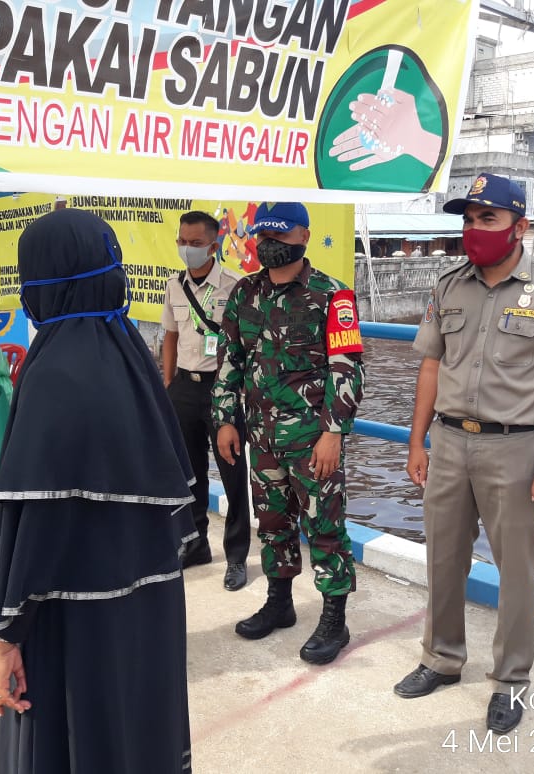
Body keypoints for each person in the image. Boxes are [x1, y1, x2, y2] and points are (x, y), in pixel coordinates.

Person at [0, 208, 195, 773]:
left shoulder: (54, 371)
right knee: (138, 734)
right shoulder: (130, 356)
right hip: (146, 604)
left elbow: (41, 521)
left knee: (81, 744)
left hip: (73, 617)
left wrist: (6, 635)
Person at [393, 173, 534, 733]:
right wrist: (417, 440)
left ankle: (510, 680)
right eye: (467, 219)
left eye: (488, 218)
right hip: (450, 441)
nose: (474, 229)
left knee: (516, 572)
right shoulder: (448, 286)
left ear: (521, 226)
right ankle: (441, 657)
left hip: (515, 448)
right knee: (442, 558)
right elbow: (431, 365)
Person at [213, 201, 365, 666]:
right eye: (263, 236)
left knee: (324, 528)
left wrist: (333, 433)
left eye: (280, 237)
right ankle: (279, 603)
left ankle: (334, 619)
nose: (269, 245)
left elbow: (348, 369)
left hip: (312, 440)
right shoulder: (245, 293)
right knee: (274, 524)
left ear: (303, 236)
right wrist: (224, 419)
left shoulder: (332, 296)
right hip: (261, 440)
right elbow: (231, 361)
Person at [161, 210, 252, 591]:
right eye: (182, 241)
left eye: (195, 244)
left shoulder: (235, 286)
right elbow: (169, 336)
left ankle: (236, 557)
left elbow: (246, 345)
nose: (187, 249)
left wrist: (238, 393)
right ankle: (196, 542)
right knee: (189, 472)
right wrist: (168, 384)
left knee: (232, 474)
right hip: (184, 386)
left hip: (222, 390)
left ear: (214, 246)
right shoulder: (174, 285)